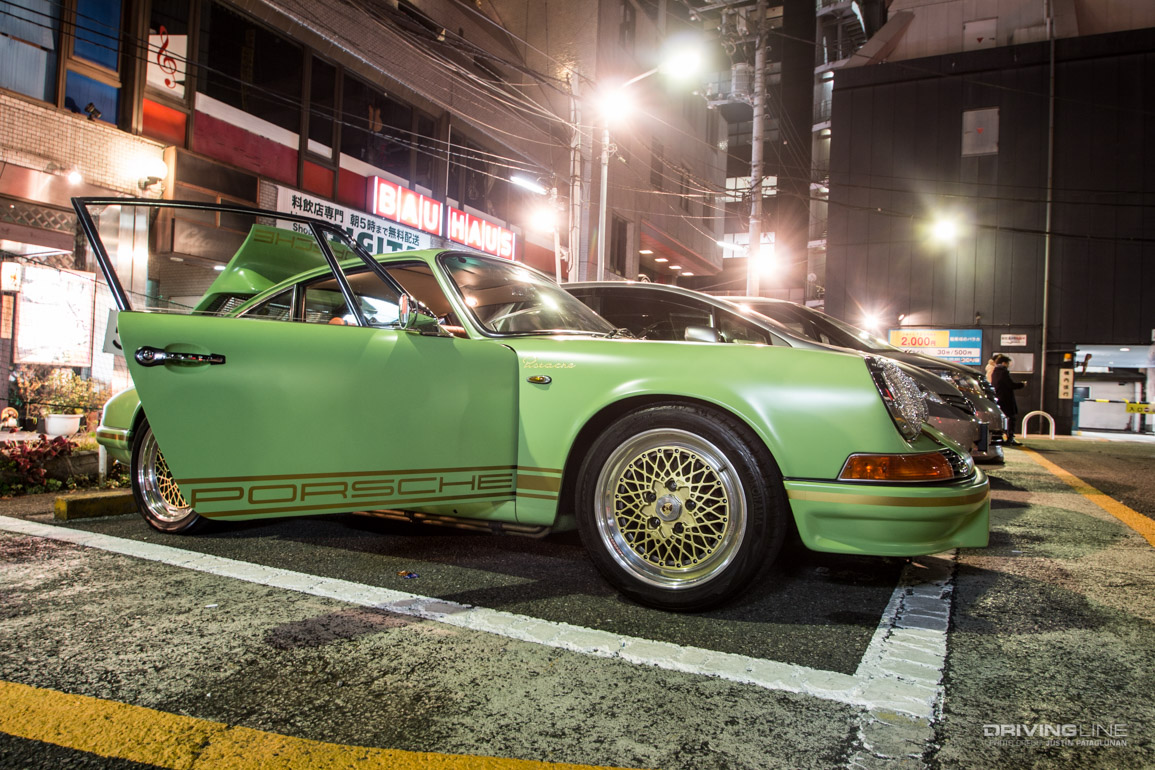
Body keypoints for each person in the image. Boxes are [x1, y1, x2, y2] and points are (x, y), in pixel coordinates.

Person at [990, 354, 1025, 445]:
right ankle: (1010, 438)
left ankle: (1000, 437)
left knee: (1001, 419)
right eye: (1008, 363)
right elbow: (1010, 385)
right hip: (1006, 398)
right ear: (1004, 363)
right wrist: (1022, 384)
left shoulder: (995, 372)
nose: (1008, 365)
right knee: (1011, 418)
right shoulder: (1003, 372)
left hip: (998, 397)